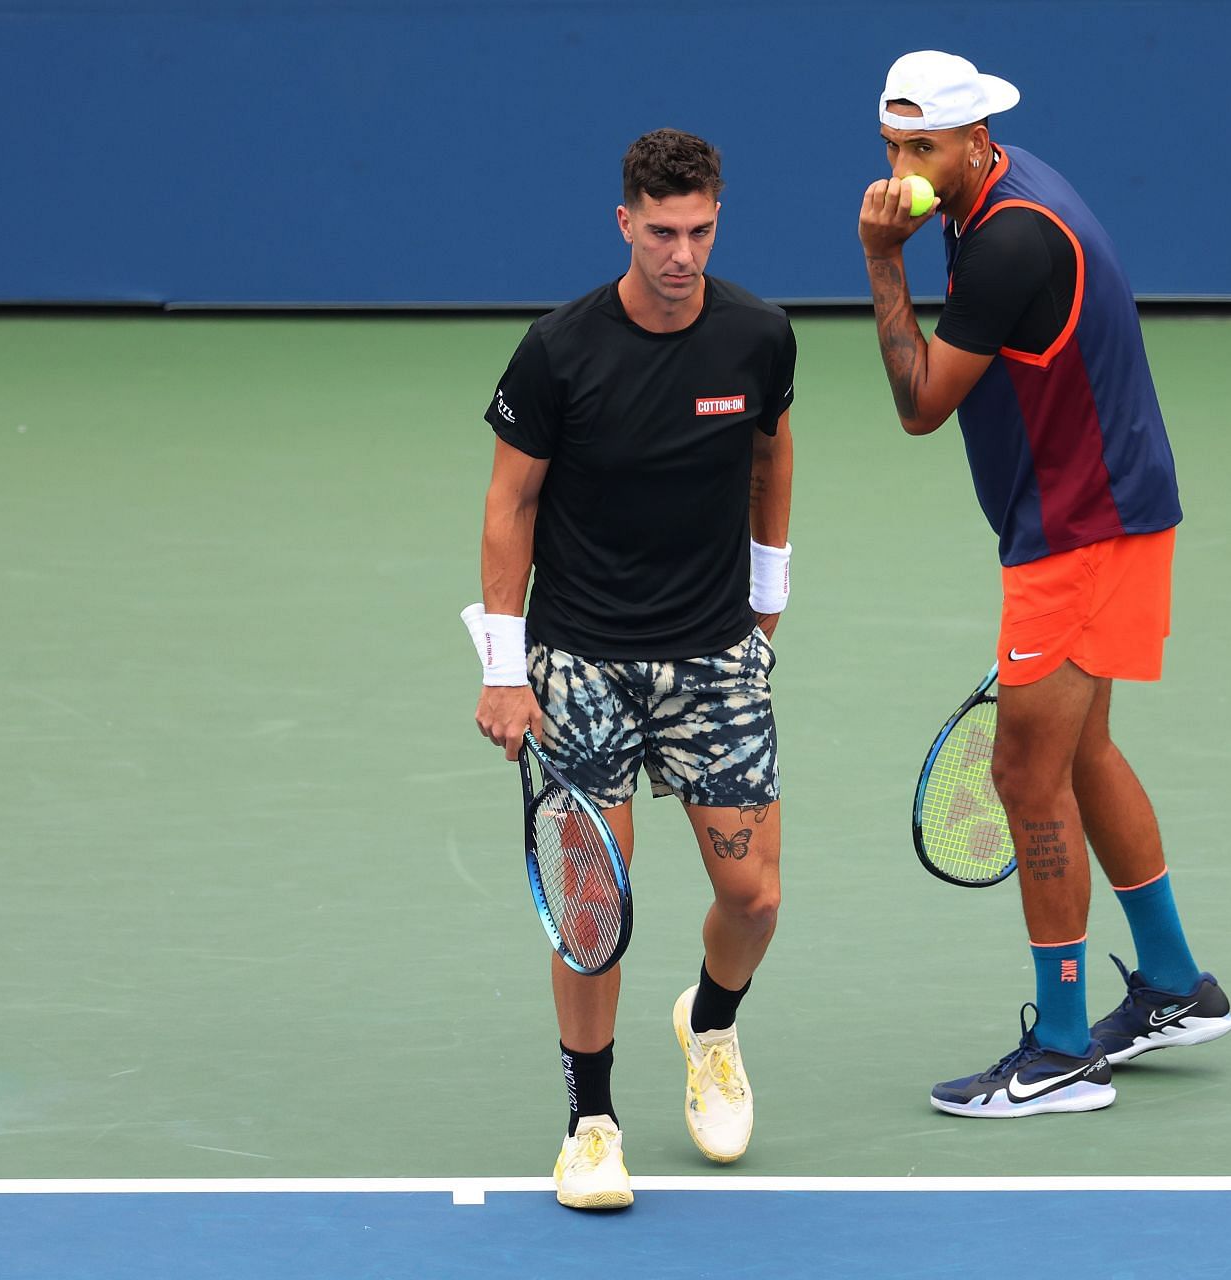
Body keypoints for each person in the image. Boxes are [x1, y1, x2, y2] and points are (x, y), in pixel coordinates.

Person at [858, 51, 1231, 1118]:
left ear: (976, 142)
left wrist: (881, 259)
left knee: (1028, 778)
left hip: (1078, 532)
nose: (902, 168)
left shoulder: (1009, 240)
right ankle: (1172, 983)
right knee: (1085, 749)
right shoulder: (1001, 195)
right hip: (1108, 512)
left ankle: (1064, 1046)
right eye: (891, 146)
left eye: (921, 147)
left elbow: (921, 402)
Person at [471, 128, 796, 1205]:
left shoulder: (758, 335)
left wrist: (770, 590)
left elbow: (770, 448)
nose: (682, 253)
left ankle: (708, 1024)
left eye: (701, 229)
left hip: (714, 655)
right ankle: (592, 1119)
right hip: (581, 661)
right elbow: (509, 504)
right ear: (625, 223)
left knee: (752, 896)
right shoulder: (559, 350)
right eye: (662, 231)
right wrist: (503, 668)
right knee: (593, 910)